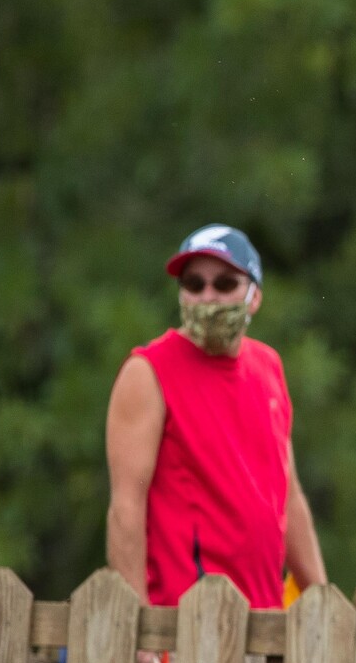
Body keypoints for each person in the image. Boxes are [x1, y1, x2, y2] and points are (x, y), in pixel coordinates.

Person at [105, 224, 327, 616]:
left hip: (265, 624)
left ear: (254, 296)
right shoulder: (148, 371)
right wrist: (139, 628)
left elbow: (288, 497)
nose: (208, 297)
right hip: (183, 622)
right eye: (194, 284)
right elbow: (126, 506)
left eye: (225, 284)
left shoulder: (269, 367)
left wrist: (321, 598)